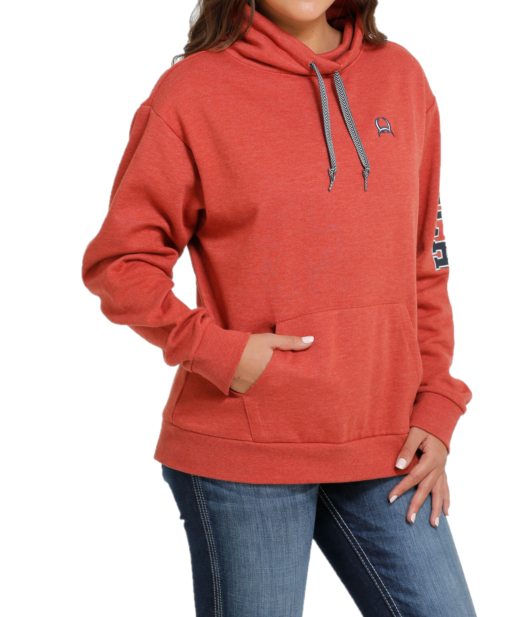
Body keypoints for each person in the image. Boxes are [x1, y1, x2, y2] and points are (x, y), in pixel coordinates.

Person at [81, 0, 476, 615]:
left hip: (387, 445)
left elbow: (424, 260)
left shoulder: (401, 78)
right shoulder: (192, 92)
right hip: (245, 450)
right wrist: (216, 350)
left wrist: (438, 402)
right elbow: (120, 264)